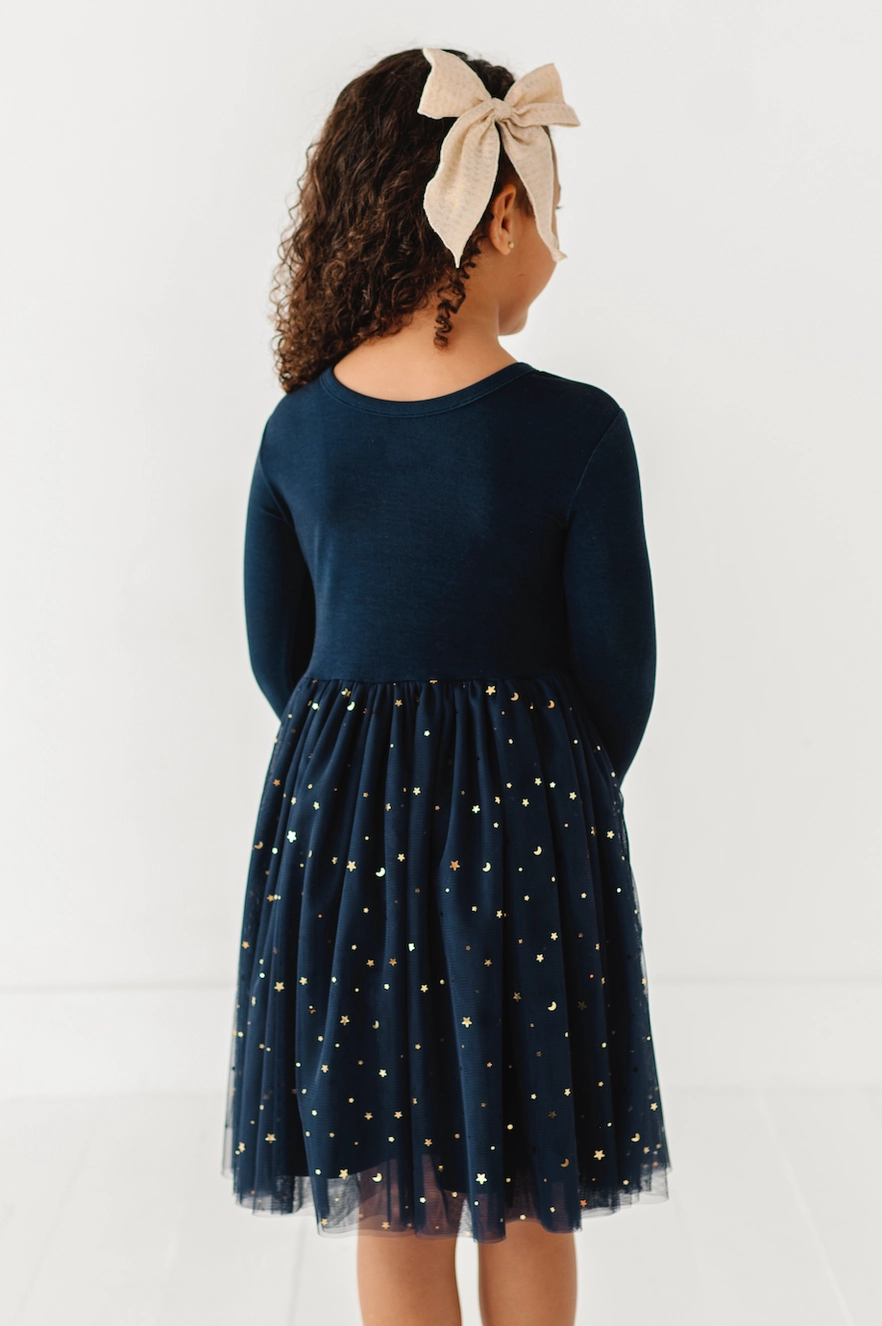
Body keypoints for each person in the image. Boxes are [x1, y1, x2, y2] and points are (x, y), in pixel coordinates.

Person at [222, 45, 671, 1326]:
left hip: (343, 846)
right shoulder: (577, 429)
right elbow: (620, 675)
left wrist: (372, 772)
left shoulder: (300, 428)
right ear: (505, 213)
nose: (558, 246)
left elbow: (280, 655)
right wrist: (537, 783)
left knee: (391, 1193)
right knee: (530, 1182)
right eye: (554, 211)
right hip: (528, 842)